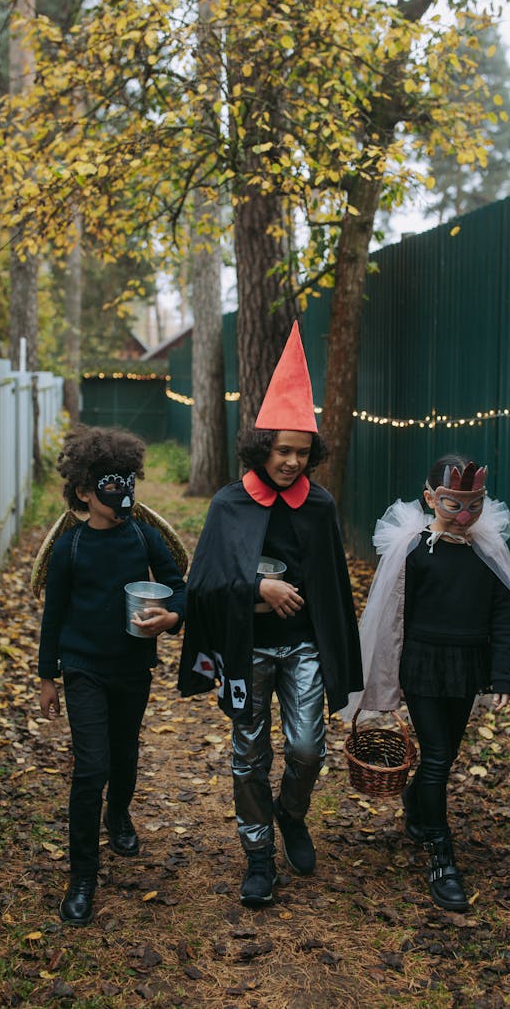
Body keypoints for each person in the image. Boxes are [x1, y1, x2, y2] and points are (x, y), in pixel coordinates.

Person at [179, 322, 363, 907]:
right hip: (245, 648)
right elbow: (204, 583)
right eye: (282, 450)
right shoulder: (230, 503)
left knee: (308, 749)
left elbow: (331, 585)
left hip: (303, 645)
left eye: (302, 452)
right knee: (248, 753)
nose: (291, 462)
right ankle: (258, 855)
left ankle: (291, 812)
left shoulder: (320, 505)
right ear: (262, 447)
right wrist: (260, 586)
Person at [342, 454, 510, 913]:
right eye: (454, 504)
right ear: (432, 497)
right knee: (435, 756)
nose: (465, 515)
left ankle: (417, 802)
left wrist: (502, 676)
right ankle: (441, 853)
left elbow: (502, 614)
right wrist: (388, 675)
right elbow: (392, 616)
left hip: (467, 667)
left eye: (474, 504)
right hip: (423, 666)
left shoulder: (487, 550)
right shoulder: (414, 548)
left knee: (445, 754)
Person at [37, 424, 187, 927]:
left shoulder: (143, 537)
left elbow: (177, 586)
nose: (122, 491)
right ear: (84, 491)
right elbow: (52, 616)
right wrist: (47, 677)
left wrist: (172, 617)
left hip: (132, 668)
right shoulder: (70, 548)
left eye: (128, 480)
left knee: (124, 754)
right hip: (82, 669)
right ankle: (82, 876)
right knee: (91, 767)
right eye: (110, 482)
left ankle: (118, 814)